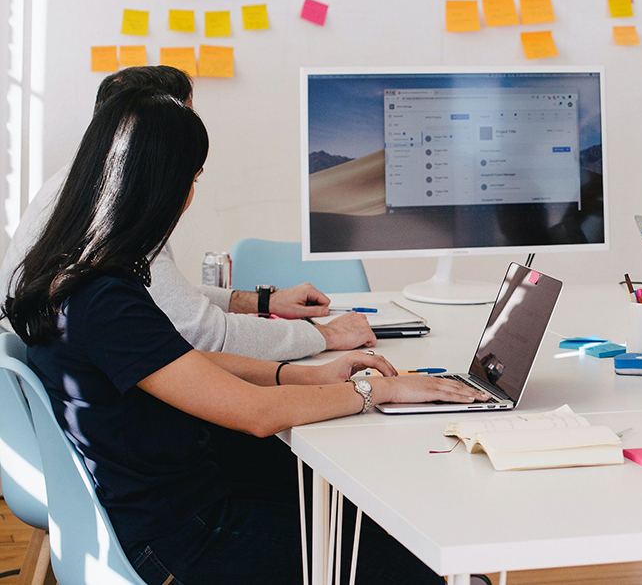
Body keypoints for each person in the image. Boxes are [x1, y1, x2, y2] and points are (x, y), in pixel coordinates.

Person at [2, 87, 489, 585]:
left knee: (363, 509)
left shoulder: (74, 273)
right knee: (434, 566)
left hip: (169, 507)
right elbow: (255, 415)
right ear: (163, 185)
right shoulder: (105, 298)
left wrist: (309, 376)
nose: (191, 196)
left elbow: (182, 362)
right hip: (180, 538)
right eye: (192, 178)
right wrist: (374, 391)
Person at [0, 66, 374, 362]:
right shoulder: (115, 216)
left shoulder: (76, 188)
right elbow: (205, 336)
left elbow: (158, 299)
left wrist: (264, 302)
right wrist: (325, 336)